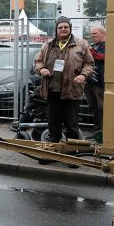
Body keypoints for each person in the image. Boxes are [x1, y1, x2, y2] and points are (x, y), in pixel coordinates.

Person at [34, 16, 95, 144]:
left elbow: (90, 64)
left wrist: (83, 75)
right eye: (60, 27)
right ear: (56, 29)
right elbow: (38, 61)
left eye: (66, 27)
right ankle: (53, 153)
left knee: (72, 126)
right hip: (52, 91)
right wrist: (42, 69)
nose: (63, 29)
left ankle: (73, 154)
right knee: (53, 125)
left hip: (71, 91)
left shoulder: (81, 44)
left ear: (70, 28)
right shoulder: (48, 45)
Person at [85, 25, 106, 133]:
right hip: (90, 81)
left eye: (94, 33)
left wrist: (89, 50)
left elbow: (102, 57)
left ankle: (104, 132)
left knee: (102, 108)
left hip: (100, 82)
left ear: (103, 33)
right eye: (91, 33)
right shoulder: (94, 45)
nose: (92, 35)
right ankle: (97, 131)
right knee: (94, 107)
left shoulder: (108, 45)